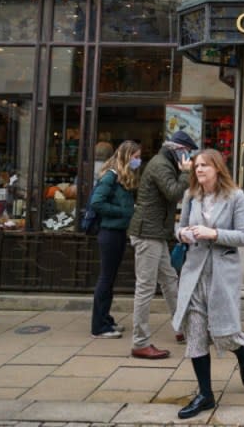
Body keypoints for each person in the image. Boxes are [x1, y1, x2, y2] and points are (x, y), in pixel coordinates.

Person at [171, 148, 244, 419]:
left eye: (205, 165)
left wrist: (214, 233)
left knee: (224, 333)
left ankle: (241, 353)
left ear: (217, 168)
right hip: (194, 273)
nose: (199, 170)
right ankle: (205, 395)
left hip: (221, 273)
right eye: (196, 166)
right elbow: (178, 229)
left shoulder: (235, 197)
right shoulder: (190, 196)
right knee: (195, 335)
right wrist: (183, 233)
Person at [127, 130, 195, 359]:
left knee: (169, 280)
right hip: (147, 233)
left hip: (155, 232)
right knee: (145, 288)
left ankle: (182, 328)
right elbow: (174, 193)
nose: (188, 158)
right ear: (178, 150)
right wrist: (186, 174)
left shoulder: (164, 162)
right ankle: (140, 342)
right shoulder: (160, 165)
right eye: (187, 152)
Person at [90, 140, 142, 339]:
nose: (138, 161)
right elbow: (97, 202)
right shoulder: (111, 176)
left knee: (109, 279)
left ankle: (105, 318)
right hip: (109, 233)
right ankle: (99, 325)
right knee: (105, 278)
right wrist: (123, 212)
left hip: (118, 232)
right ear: (126, 156)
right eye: (136, 157)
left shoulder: (121, 177)